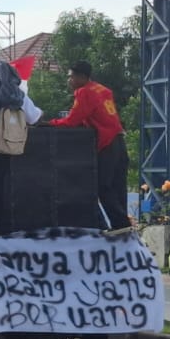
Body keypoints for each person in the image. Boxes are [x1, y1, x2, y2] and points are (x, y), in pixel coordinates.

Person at [47, 61, 129, 231]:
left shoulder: (84, 92)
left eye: (71, 77)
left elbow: (72, 120)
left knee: (102, 187)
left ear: (82, 77)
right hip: (119, 140)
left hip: (107, 143)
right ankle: (122, 227)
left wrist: (50, 123)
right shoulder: (101, 89)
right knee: (117, 186)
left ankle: (121, 225)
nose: (69, 80)